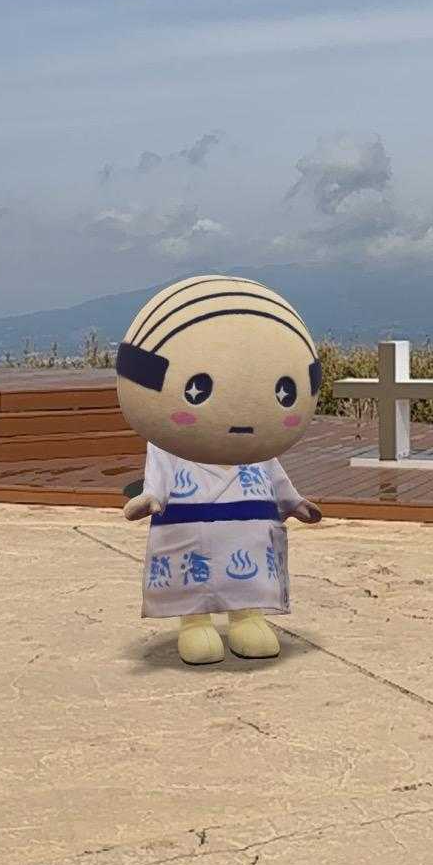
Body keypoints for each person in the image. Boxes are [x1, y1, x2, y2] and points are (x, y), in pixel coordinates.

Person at [117, 274, 322, 665]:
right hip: (189, 524)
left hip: (247, 528)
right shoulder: (171, 445)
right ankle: (194, 623)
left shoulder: (257, 451)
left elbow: (274, 474)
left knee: (247, 575)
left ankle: (247, 616)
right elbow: (157, 474)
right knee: (194, 576)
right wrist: (150, 496)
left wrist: (293, 502)